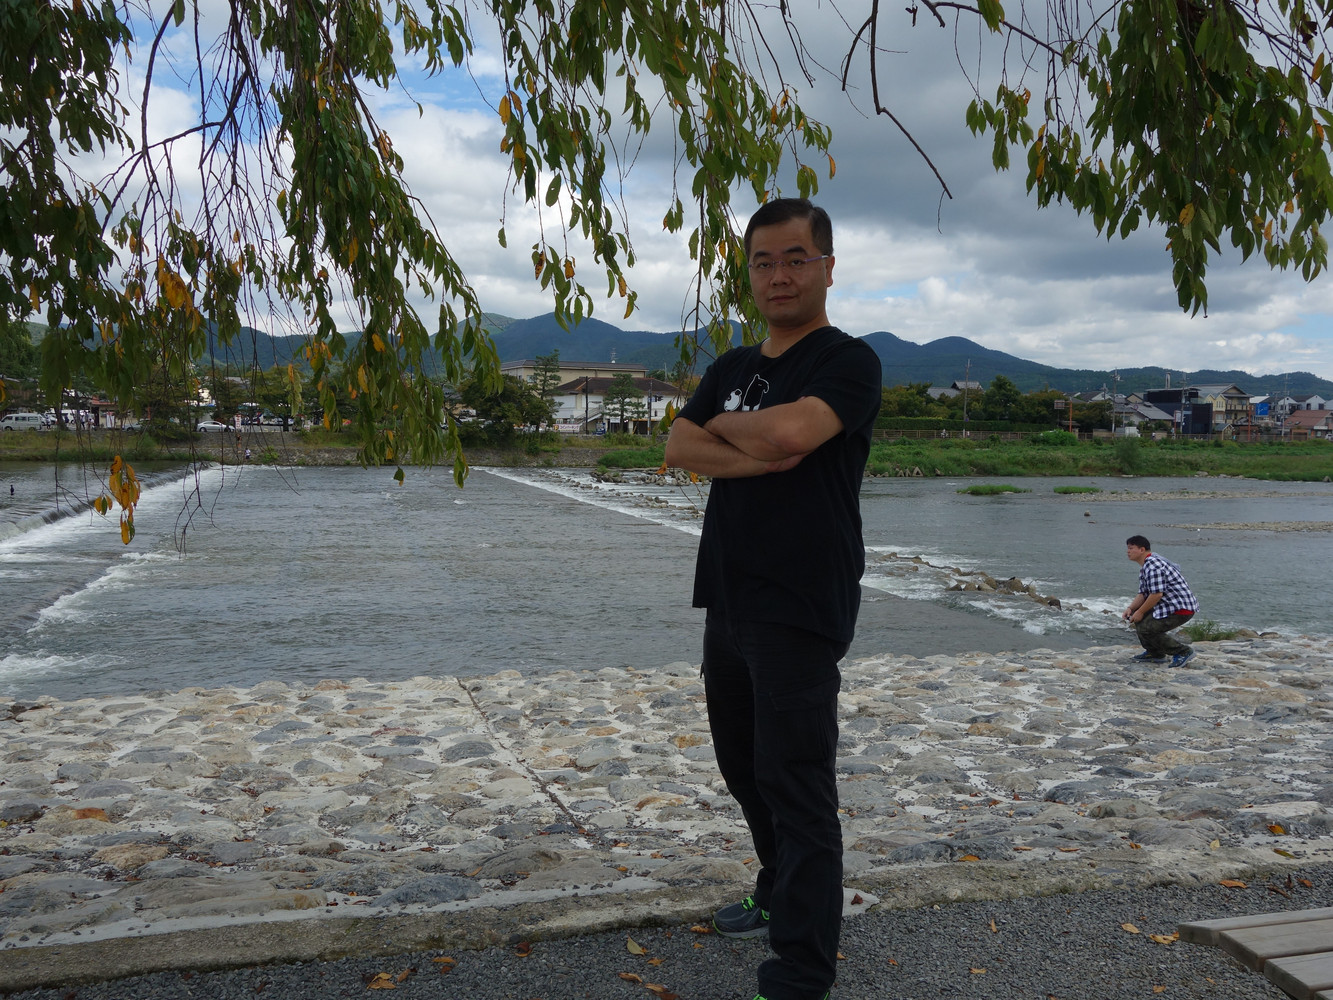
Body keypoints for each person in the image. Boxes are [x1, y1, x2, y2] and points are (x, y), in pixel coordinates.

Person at [663, 198, 882, 1000]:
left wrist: (733, 434)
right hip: (728, 595)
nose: (778, 275)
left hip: (800, 599)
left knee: (796, 784)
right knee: (743, 767)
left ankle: (799, 973)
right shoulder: (731, 365)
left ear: (826, 267)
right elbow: (677, 445)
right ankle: (774, 887)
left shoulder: (847, 360)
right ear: (748, 273)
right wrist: (755, 444)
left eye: (795, 259)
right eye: (763, 262)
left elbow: (791, 436)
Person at [1122, 534, 1199, 667]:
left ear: (1142, 549)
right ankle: (1155, 653)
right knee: (1140, 620)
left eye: (1131, 548)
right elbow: (1143, 594)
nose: (1128, 551)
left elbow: (1156, 595)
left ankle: (1183, 651)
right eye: (1128, 548)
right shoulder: (1147, 565)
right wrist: (1131, 608)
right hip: (1168, 605)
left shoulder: (1153, 566)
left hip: (1180, 608)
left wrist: (1140, 612)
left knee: (1147, 628)